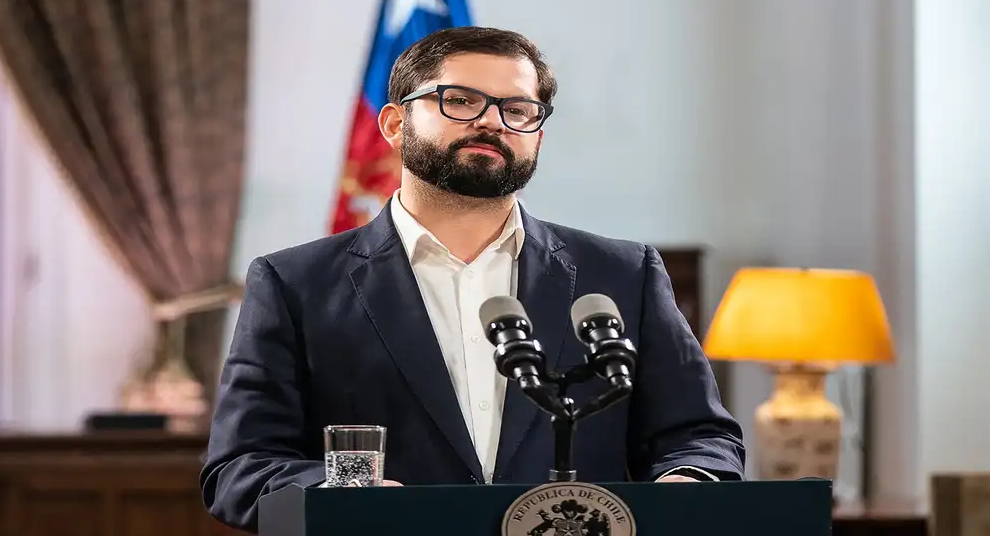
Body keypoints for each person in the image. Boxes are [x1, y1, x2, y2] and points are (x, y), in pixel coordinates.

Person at [201, 26, 746, 532]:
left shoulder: (622, 273)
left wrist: (686, 486)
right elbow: (241, 466)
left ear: (537, 134)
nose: (492, 122)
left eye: (518, 109)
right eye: (460, 101)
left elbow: (698, 437)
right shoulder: (294, 283)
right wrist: (345, 494)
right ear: (394, 125)